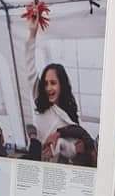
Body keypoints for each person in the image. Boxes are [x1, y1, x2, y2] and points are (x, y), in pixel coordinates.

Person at [24, 14, 81, 151]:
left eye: (53, 83)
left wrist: (61, 145)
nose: (48, 87)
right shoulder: (39, 98)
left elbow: (74, 148)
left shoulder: (69, 117)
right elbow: (30, 69)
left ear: (62, 85)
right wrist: (32, 33)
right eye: (46, 83)